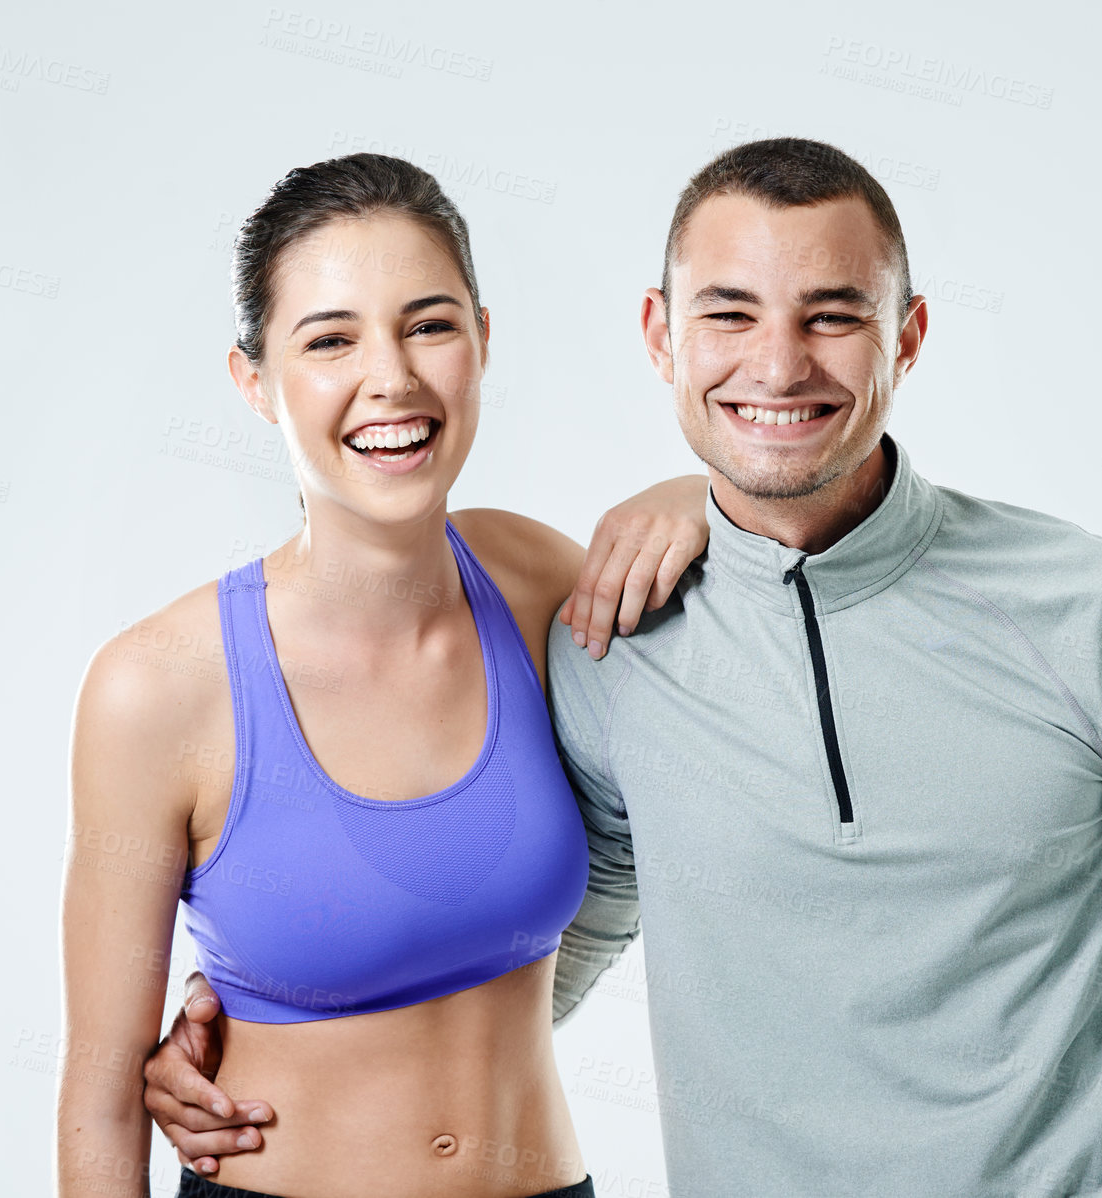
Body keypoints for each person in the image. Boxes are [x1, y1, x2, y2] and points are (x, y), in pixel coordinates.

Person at [144, 138, 1102, 1197]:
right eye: (727, 314)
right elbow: (557, 930)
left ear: (904, 337)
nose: (777, 365)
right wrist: (279, 1029)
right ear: (660, 336)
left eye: (831, 314)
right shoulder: (613, 632)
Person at [56, 153, 712, 1198]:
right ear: (255, 382)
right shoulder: (158, 687)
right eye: (329, 340)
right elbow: (99, 1099)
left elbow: (724, 703)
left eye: (429, 324)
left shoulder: (537, 578)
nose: (392, 378)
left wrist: (691, 494)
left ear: (482, 341)